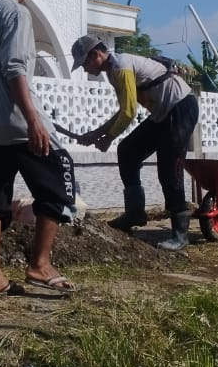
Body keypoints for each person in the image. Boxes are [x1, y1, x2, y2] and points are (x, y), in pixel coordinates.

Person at [0, 0, 77, 295]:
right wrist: (33, 120)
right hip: (18, 124)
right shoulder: (16, 12)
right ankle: (40, 264)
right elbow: (15, 68)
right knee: (59, 183)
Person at [69, 35, 199, 251]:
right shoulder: (113, 72)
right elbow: (123, 110)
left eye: (85, 63)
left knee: (169, 167)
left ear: (96, 54)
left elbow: (129, 112)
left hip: (181, 107)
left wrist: (108, 137)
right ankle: (135, 213)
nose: (84, 68)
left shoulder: (121, 66)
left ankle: (180, 234)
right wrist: (97, 133)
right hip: (162, 114)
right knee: (128, 151)